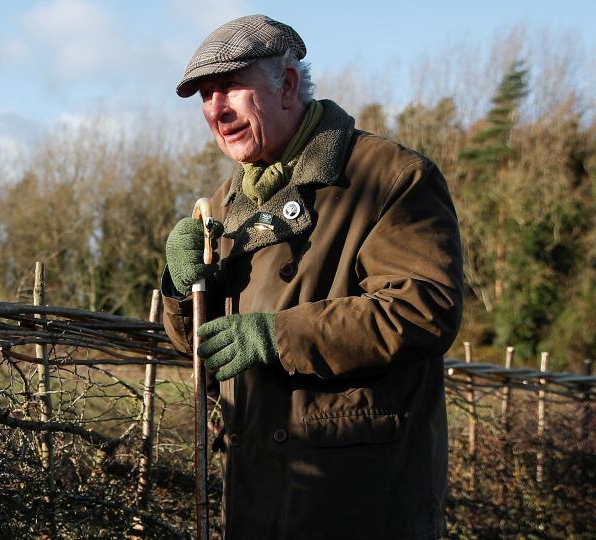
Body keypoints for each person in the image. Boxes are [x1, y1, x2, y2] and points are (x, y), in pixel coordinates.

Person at [161, 15, 463, 540]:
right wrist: (182, 288)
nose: (216, 109)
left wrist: (276, 336)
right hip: (255, 500)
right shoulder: (226, 204)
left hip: (357, 502)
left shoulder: (386, 175)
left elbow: (421, 308)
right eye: (206, 96)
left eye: (231, 86)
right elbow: (206, 352)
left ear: (288, 85)